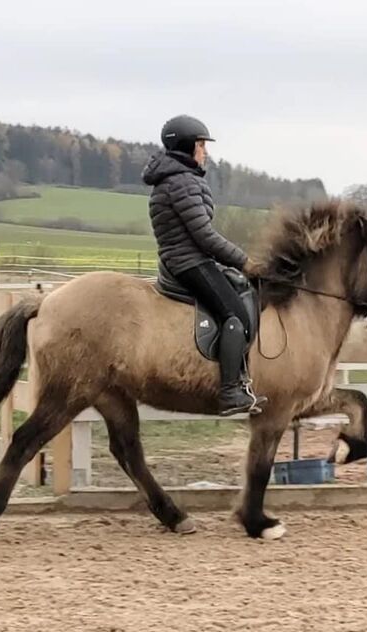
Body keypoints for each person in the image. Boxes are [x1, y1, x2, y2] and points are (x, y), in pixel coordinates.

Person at [142, 115, 267, 416]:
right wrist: (244, 262)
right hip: (188, 261)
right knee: (234, 314)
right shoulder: (182, 182)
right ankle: (229, 392)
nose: (205, 152)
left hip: (182, 257)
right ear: (187, 148)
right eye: (201, 145)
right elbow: (204, 236)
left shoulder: (174, 179)